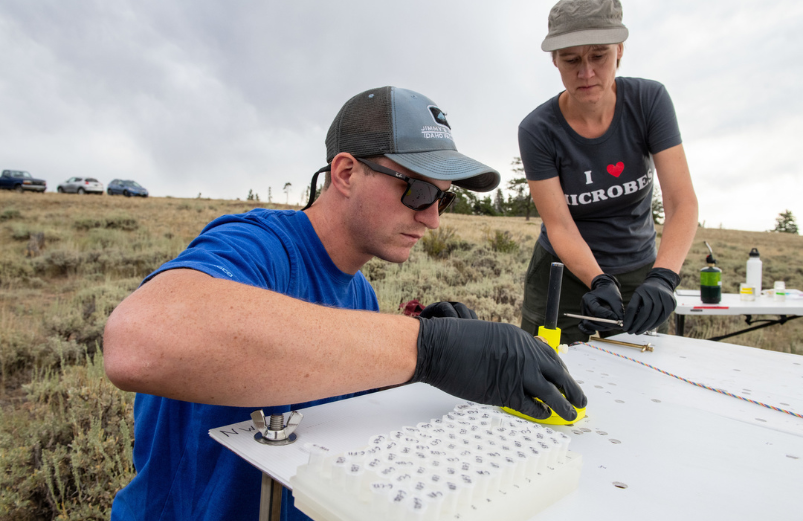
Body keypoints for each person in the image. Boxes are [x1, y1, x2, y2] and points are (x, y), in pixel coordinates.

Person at [103, 86, 588, 521]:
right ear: (347, 172)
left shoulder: (359, 294)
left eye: (444, 200)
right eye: (418, 190)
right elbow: (139, 340)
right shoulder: (260, 247)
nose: (432, 219)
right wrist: (425, 348)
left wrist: (416, 366)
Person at [518, 0, 699, 344]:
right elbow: (560, 224)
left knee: (636, 378)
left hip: (638, 272)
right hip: (563, 273)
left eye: (598, 55)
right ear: (554, 60)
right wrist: (598, 280)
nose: (586, 73)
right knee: (545, 372)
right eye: (571, 59)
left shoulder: (649, 101)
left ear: (619, 51)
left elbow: (682, 202)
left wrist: (663, 277)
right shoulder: (537, 130)